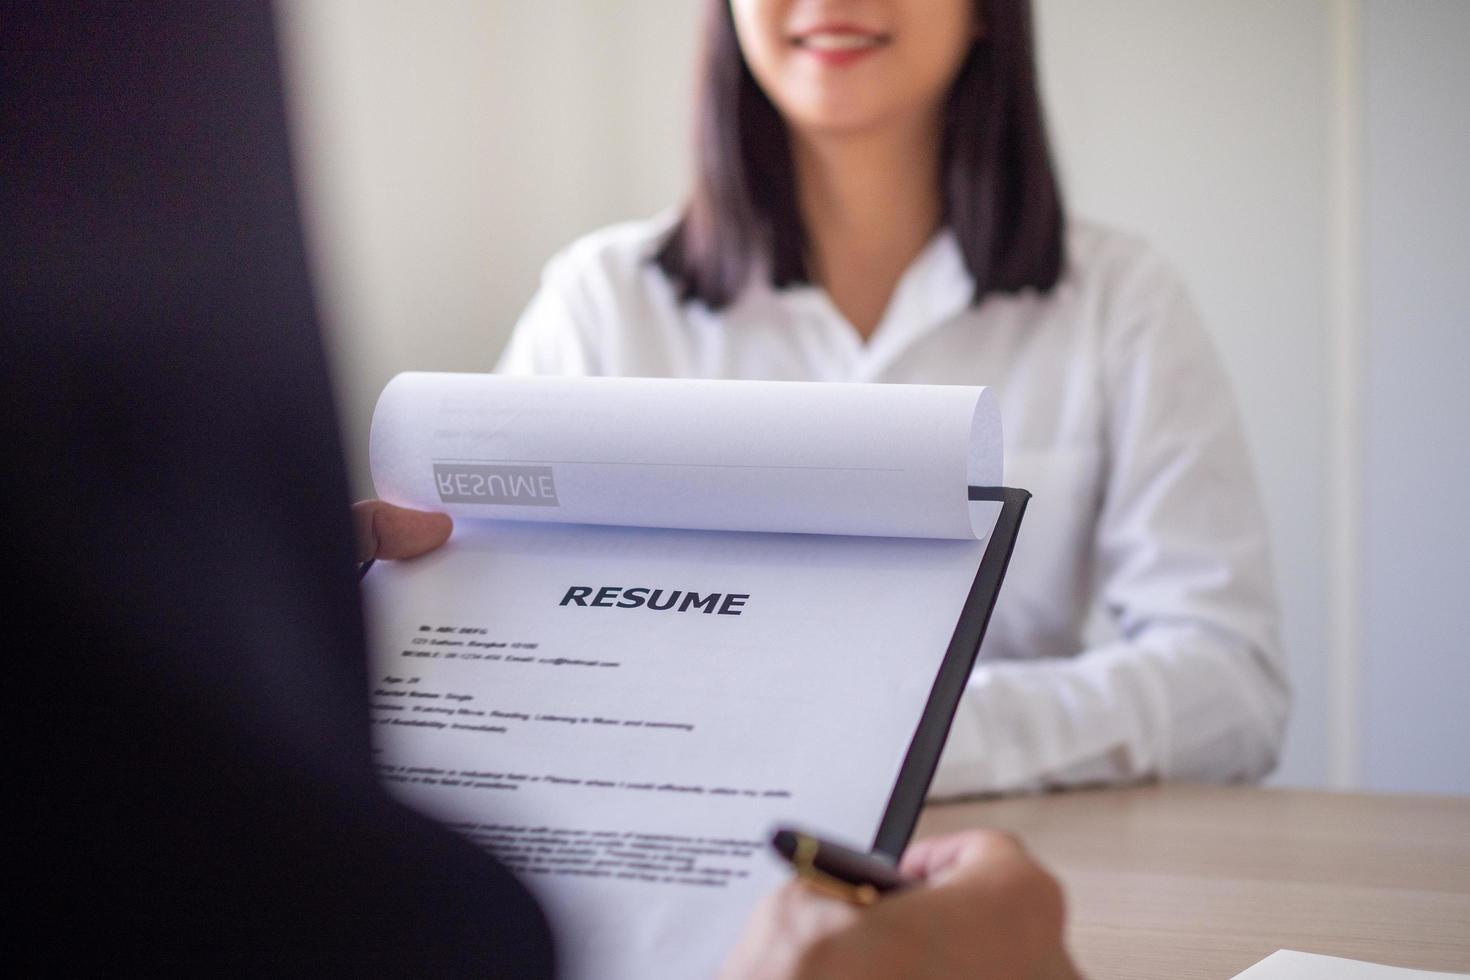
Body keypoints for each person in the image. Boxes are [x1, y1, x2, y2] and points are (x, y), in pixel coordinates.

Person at [7, 3, 1079, 976]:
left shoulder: (1118, 303)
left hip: (1019, 846)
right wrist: (305, 655)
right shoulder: (598, 294)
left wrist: (900, 733)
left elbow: (1227, 667)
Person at [498, 0, 1289, 796]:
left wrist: (926, 734)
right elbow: (501, 650)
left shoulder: (1121, 302)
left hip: (1004, 865)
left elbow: (1231, 688)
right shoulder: (599, 307)